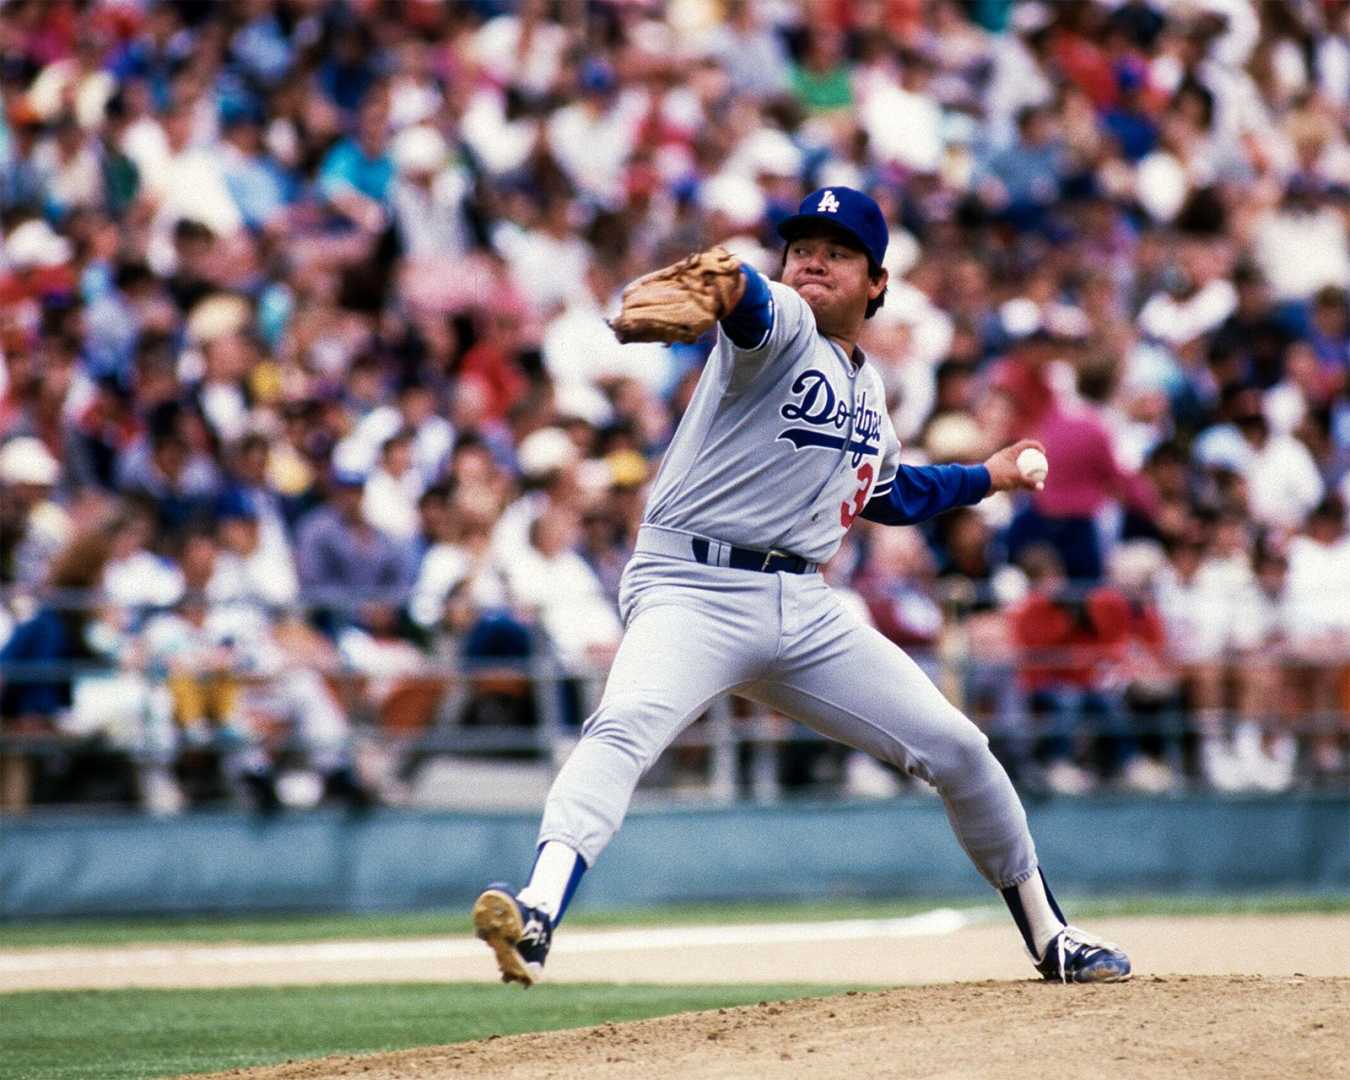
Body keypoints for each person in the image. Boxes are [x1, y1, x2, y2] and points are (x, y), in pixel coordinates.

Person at [472, 187, 1131, 987]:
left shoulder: (869, 389)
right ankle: (537, 914)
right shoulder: (781, 325)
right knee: (626, 724)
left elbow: (890, 495)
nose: (813, 257)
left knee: (961, 749)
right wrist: (730, 283)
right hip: (692, 588)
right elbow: (748, 300)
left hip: (803, 607)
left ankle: (1050, 936)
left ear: (877, 283)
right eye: (802, 245)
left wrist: (986, 476)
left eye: (839, 249)